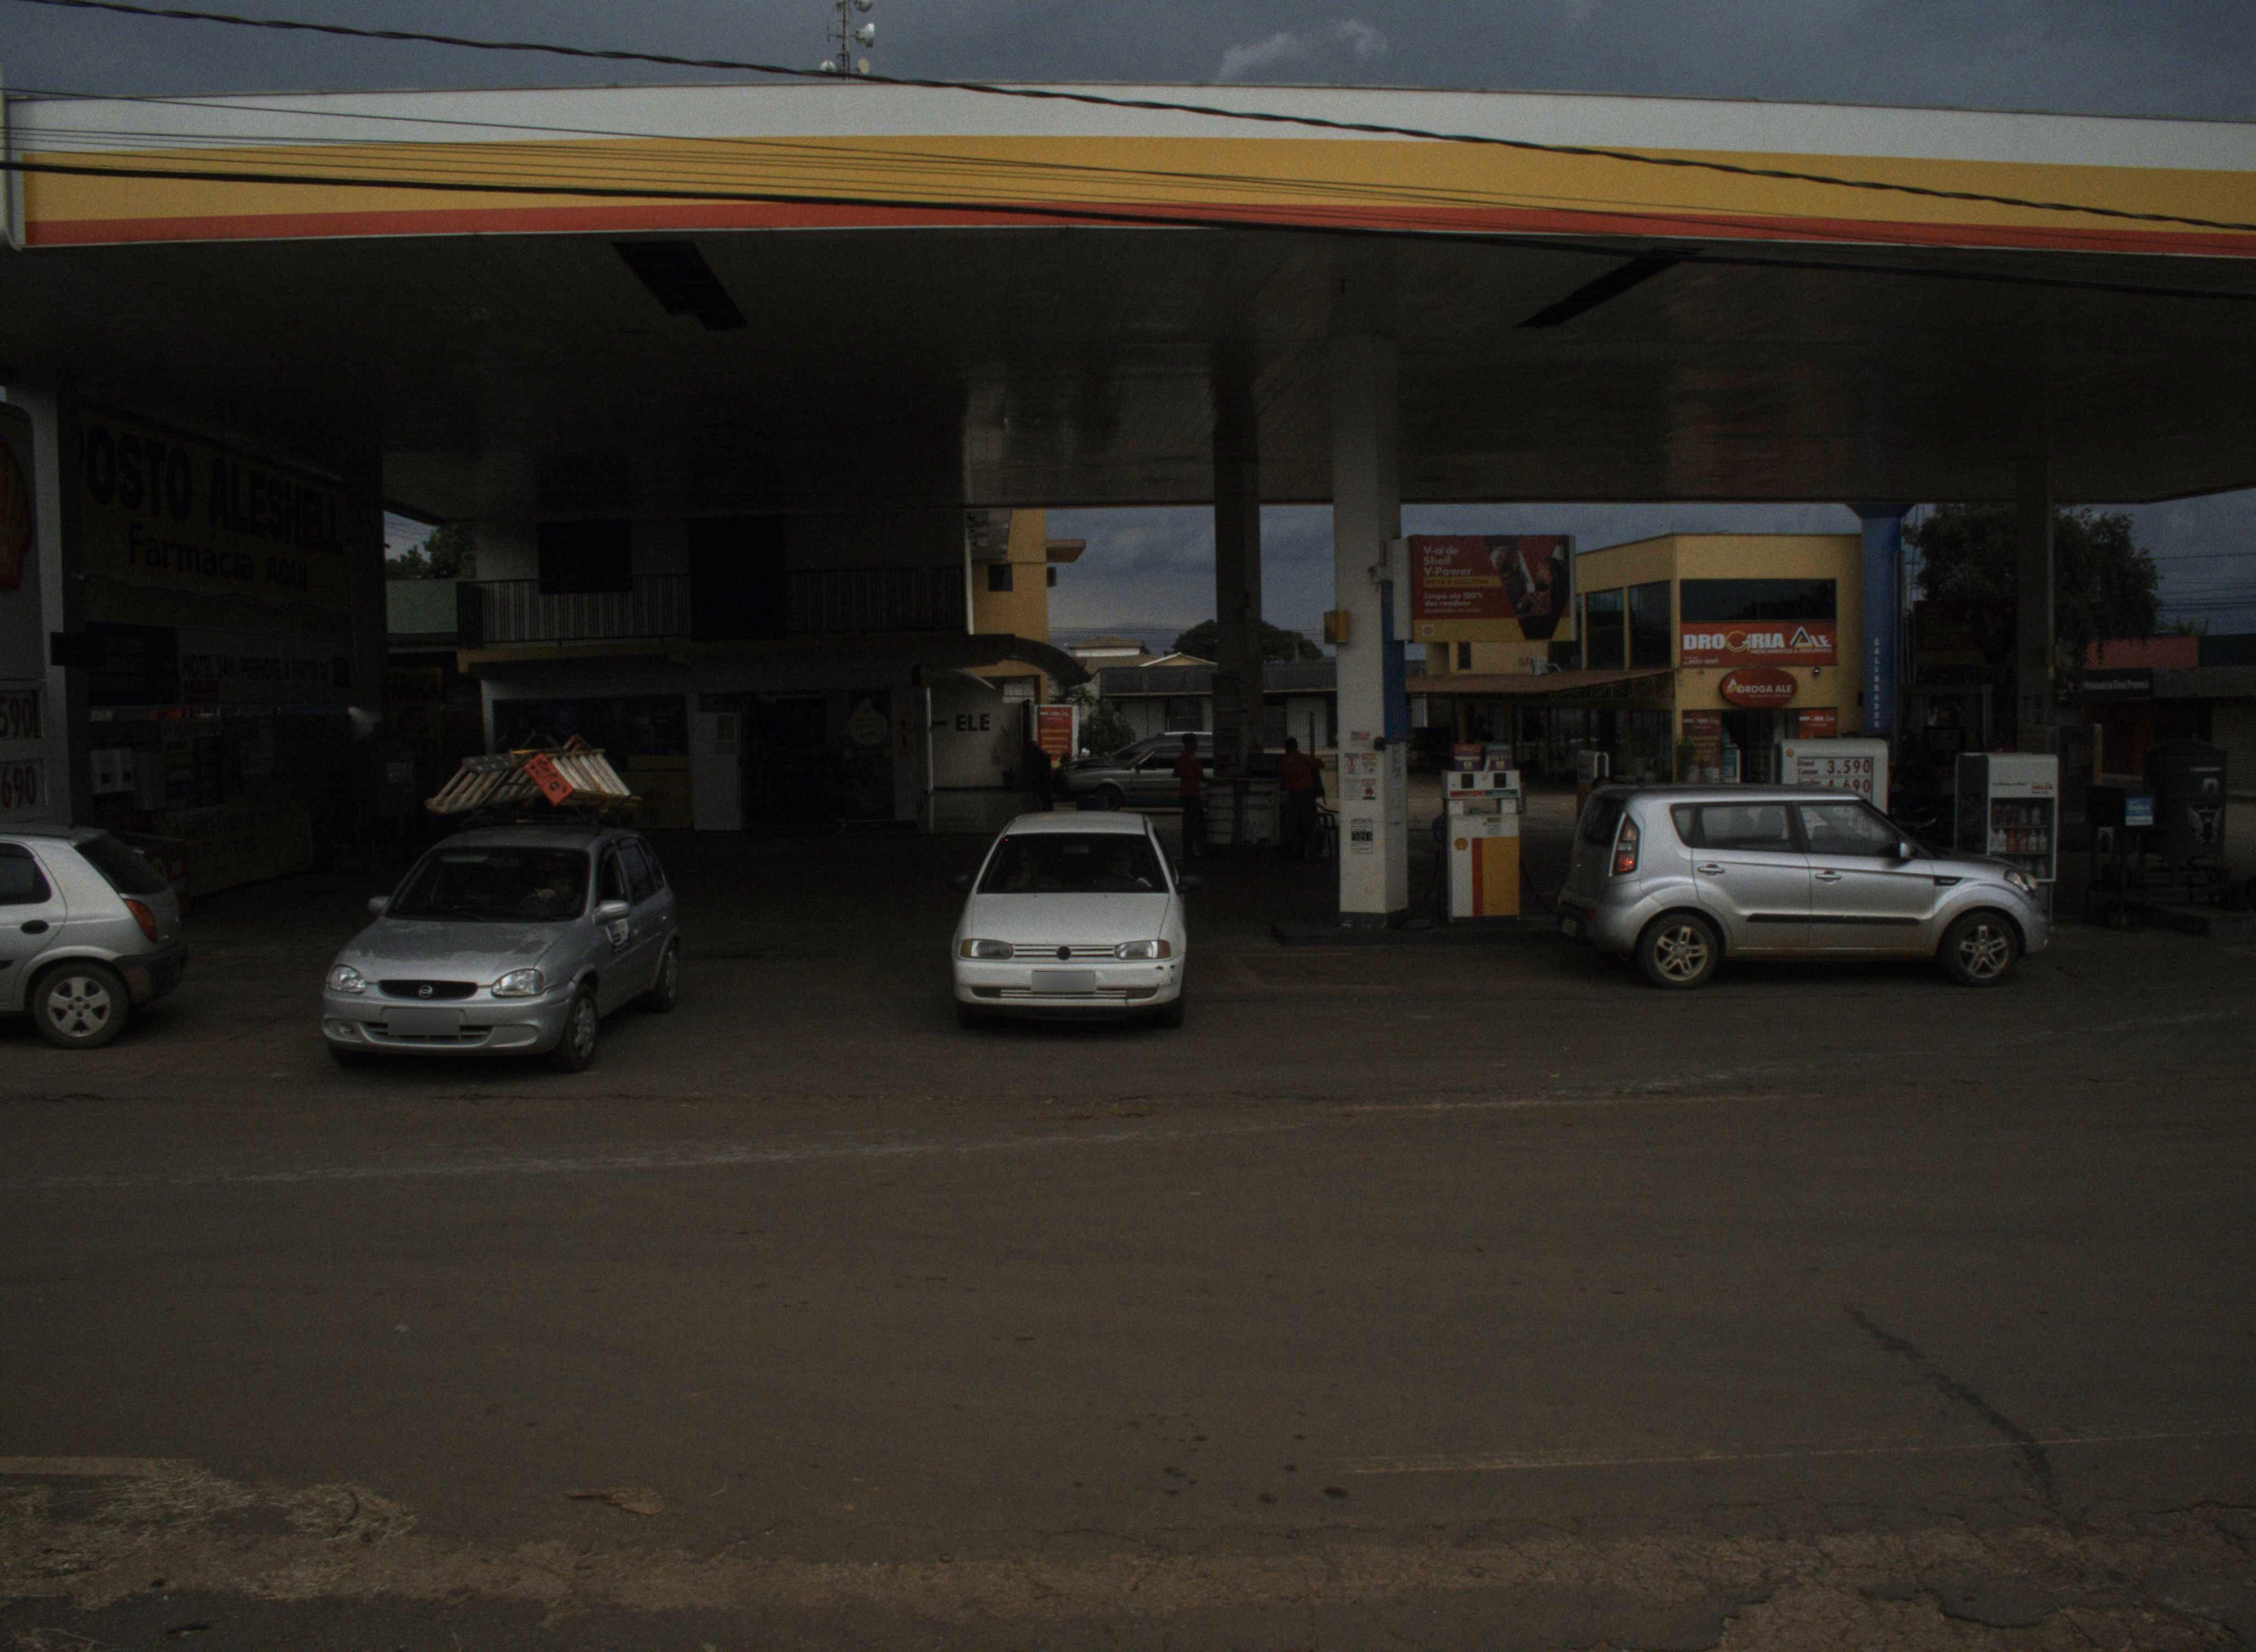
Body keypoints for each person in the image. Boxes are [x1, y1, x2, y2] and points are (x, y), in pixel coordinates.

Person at [1277, 735, 1324, 861]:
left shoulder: (1284, 761)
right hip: (1307, 796)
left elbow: (1280, 773)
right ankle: (1312, 854)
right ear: (1297, 746)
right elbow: (1321, 764)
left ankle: (1297, 853)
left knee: (1294, 825)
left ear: (1286, 748)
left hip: (1293, 796)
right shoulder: (1305, 759)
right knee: (1310, 825)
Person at [1173, 732, 1206, 861]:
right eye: (1195, 742)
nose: (1197, 745)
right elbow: (1201, 776)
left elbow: (1176, 773)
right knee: (1196, 824)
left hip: (1185, 794)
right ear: (1190, 744)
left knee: (1189, 824)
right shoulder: (1194, 759)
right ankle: (1197, 850)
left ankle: (1189, 851)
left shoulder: (1181, 758)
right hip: (1193, 795)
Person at [1022, 730, 1055, 811]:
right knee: (1046, 800)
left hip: (1041, 783)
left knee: (1043, 800)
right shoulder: (1043, 756)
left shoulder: (1036, 757)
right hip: (1044, 784)